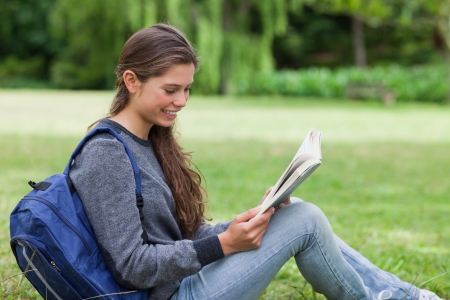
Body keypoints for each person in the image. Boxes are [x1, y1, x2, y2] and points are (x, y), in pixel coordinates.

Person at [69, 24, 442, 300]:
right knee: (306, 221)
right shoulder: (106, 154)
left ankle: (405, 295)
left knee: (291, 212)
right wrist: (225, 245)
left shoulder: (150, 140)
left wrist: (244, 223)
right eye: (170, 90)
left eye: (187, 89)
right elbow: (132, 266)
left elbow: (178, 236)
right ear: (132, 81)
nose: (181, 101)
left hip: (181, 282)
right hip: (168, 296)